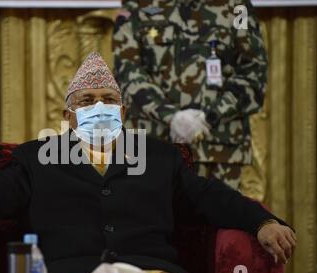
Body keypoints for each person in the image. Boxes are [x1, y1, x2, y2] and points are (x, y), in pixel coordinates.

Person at [0, 52, 295, 273]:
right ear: (68, 117)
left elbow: (210, 197)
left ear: (123, 111)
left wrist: (261, 222)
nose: (99, 107)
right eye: (86, 102)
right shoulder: (36, 158)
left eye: (108, 100)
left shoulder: (159, 157)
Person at [113, 0, 268, 190]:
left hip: (218, 149)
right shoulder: (138, 5)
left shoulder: (237, 7)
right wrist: (171, 117)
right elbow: (127, 71)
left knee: (219, 219)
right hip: (152, 146)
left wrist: (209, 117)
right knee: (149, 218)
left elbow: (253, 72)